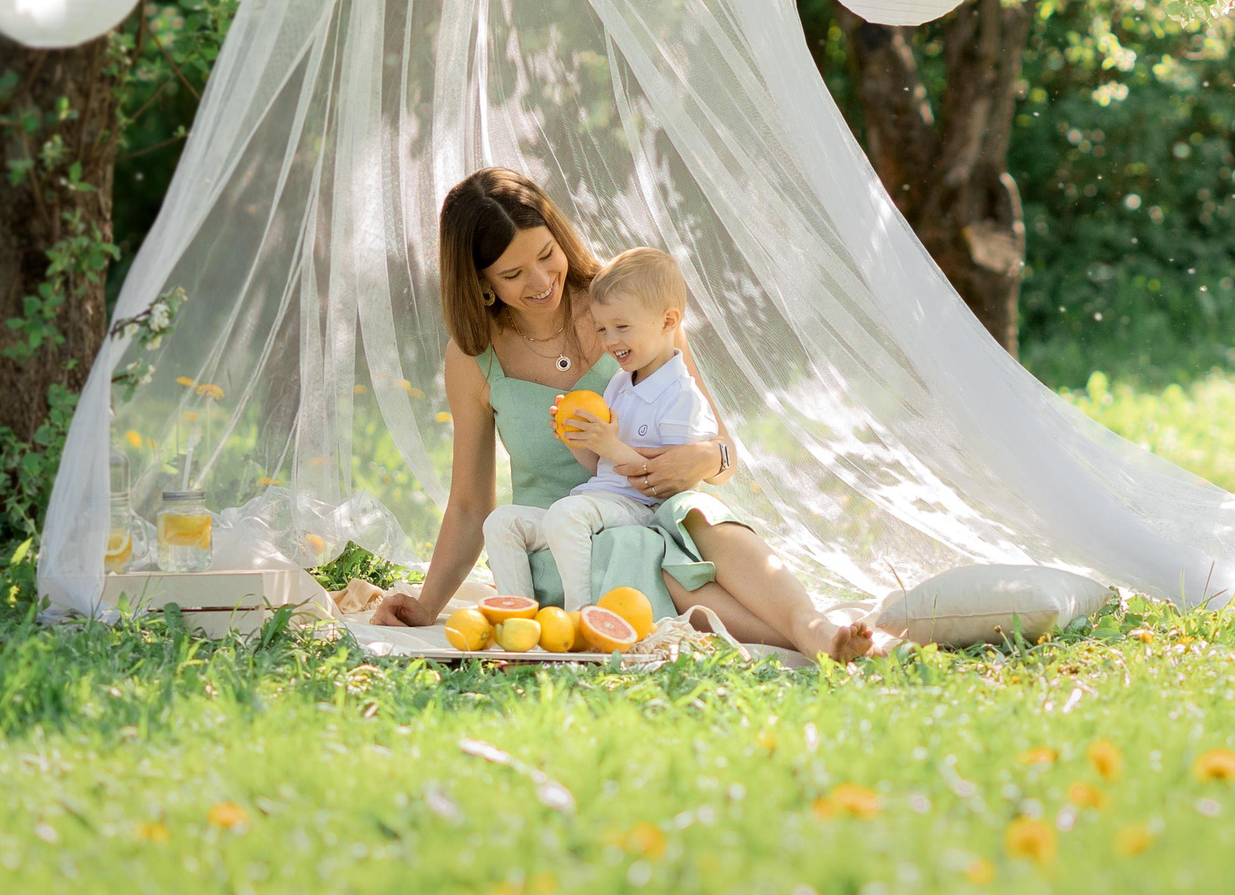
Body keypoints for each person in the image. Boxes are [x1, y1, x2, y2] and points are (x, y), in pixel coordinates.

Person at [368, 167, 874, 661]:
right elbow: (470, 505)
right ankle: (806, 642)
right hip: (565, 549)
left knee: (698, 518)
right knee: (642, 551)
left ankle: (813, 629)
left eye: (546, 255)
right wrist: (426, 606)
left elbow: (721, 452)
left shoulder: (627, 303)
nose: (541, 281)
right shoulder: (474, 357)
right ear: (481, 283)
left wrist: (705, 458)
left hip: (656, 510)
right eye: (513, 274)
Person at [482, 248, 720, 610]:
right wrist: (578, 440)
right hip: (598, 501)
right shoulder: (620, 384)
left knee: (566, 514)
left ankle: (582, 618)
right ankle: (518, 619)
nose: (609, 341)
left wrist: (609, 445)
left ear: (668, 322)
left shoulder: (682, 397)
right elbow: (601, 467)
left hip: (643, 510)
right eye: (602, 329)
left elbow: (670, 486)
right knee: (502, 522)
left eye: (621, 327)